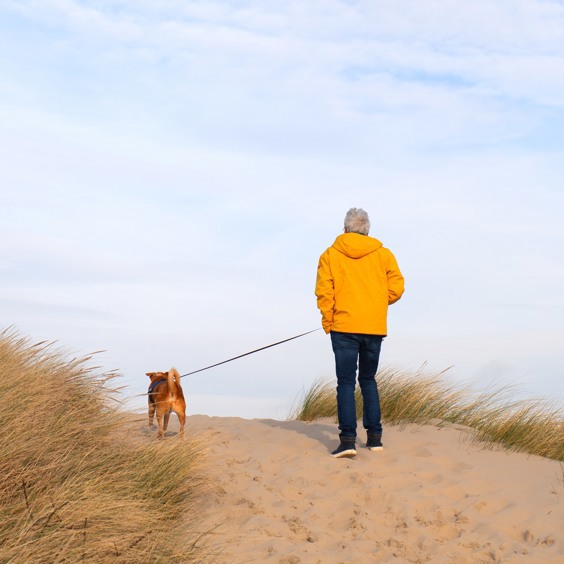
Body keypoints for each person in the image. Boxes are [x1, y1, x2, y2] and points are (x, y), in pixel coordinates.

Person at [315, 208, 404, 458]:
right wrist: (375, 303)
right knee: (368, 380)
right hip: (372, 327)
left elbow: (324, 292)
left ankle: (348, 441)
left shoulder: (330, 255)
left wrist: (328, 320)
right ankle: (374, 439)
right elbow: (397, 287)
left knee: (345, 382)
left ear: (345, 229)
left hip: (343, 327)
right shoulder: (383, 255)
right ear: (367, 230)